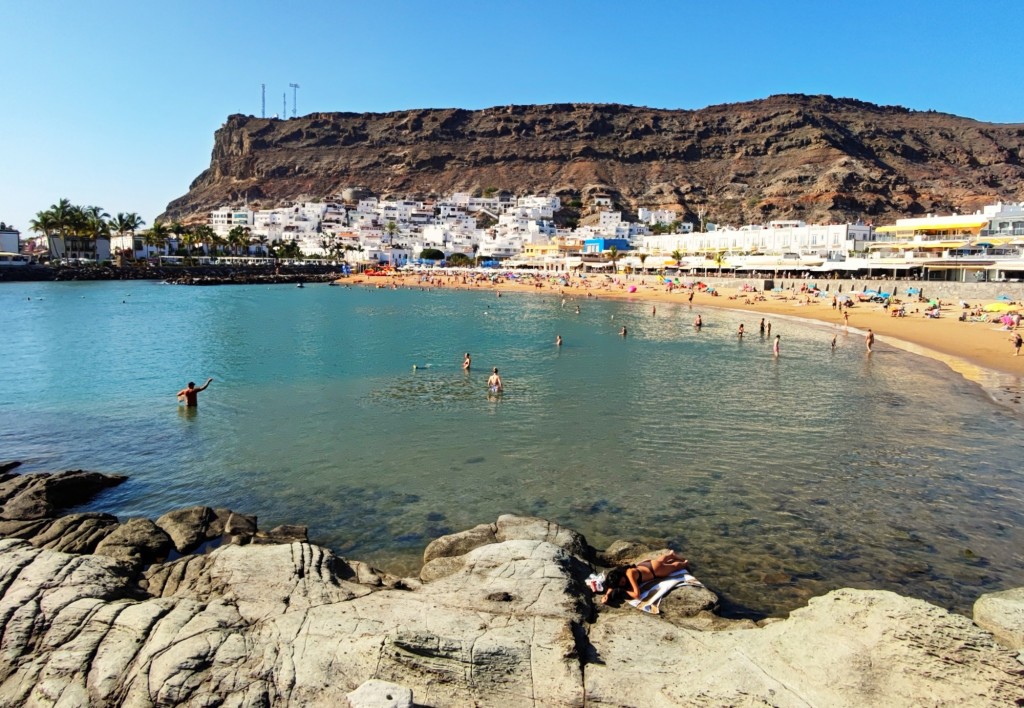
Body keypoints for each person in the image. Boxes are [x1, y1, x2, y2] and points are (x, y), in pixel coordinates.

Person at [599, 551, 690, 604]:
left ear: (621, 576)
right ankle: (670, 555)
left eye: (622, 582)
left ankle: (684, 563)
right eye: (620, 584)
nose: (623, 584)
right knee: (660, 561)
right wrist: (607, 595)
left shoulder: (629, 574)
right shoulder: (619, 572)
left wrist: (622, 590)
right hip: (646, 565)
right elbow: (612, 585)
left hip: (655, 571)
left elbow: (637, 595)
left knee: (674, 567)